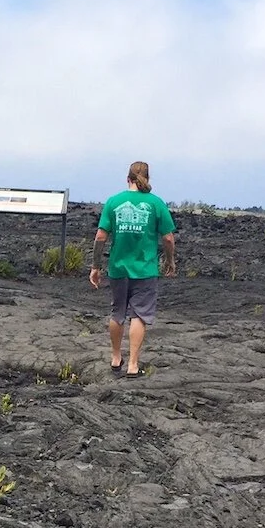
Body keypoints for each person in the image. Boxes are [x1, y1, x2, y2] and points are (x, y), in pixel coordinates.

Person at [89, 160, 176, 377]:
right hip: (145, 270)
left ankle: (116, 358)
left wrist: (96, 266)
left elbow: (100, 236)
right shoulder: (156, 203)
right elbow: (168, 238)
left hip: (118, 268)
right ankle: (133, 365)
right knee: (139, 315)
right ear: (147, 178)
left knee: (118, 312)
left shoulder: (113, 202)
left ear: (127, 178)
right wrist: (169, 261)